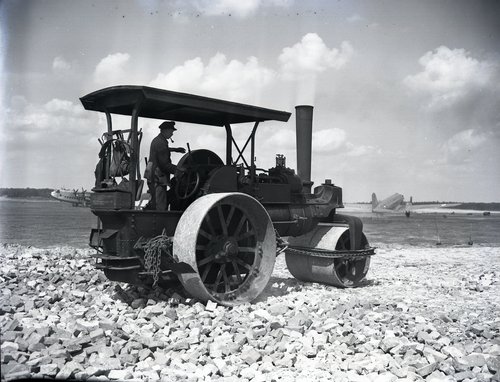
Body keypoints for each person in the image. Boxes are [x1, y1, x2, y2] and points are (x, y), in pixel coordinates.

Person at [146, 121, 186, 210]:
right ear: (166, 130)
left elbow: (164, 150)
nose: (172, 134)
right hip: (157, 176)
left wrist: (175, 149)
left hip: (153, 174)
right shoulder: (160, 143)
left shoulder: (159, 140)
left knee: (155, 200)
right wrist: (178, 170)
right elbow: (164, 165)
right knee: (160, 203)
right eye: (171, 131)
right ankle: (159, 221)